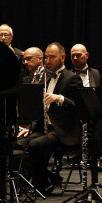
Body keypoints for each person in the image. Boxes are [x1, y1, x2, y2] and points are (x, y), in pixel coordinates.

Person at [24, 42, 83, 194]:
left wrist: (60, 98)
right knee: (19, 144)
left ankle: (42, 183)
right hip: (45, 129)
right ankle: (44, 179)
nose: (48, 61)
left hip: (62, 130)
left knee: (35, 145)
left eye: (52, 57)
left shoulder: (73, 78)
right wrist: (29, 128)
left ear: (63, 57)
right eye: (46, 58)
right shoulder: (47, 78)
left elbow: (79, 106)